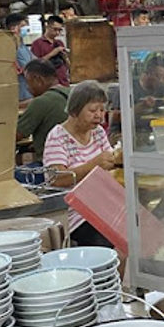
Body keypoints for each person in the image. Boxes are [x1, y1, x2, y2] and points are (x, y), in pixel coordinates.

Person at [43, 80, 115, 246]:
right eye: (92, 110)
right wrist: (94, 165)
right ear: (74, 110)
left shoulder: (97, 132)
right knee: (108, 243)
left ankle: (115, 272)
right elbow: (57, 179)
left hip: (104, 203)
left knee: (132, 234)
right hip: (77, 213)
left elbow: (110, 160)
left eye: (102, 110)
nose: (99, 115)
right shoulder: (58, 137)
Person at [16, 60, 70, 159]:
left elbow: (16, 135)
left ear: (38, 79)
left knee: (18, 161)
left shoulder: (41, 102)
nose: (28, 88)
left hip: (51, 162)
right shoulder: (70, 93)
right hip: (74, 156)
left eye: (28, 83)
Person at [31, 15, 69, 87]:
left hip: (62, 81)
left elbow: (67, 64)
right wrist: (52, 53)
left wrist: (65, 57)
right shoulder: (37, 43)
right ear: (47, 27)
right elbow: (35, 65)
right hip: (47, 83)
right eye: (55, 29)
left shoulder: (59, 43)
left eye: (60, 30)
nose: (57, 33)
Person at [5, 12, 35, 103]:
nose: (26, 29)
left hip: (28, 90)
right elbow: (27, 67)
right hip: (21, 92)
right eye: (23, 26)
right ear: (13, 28)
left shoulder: (22, 45)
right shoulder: (11, 46)